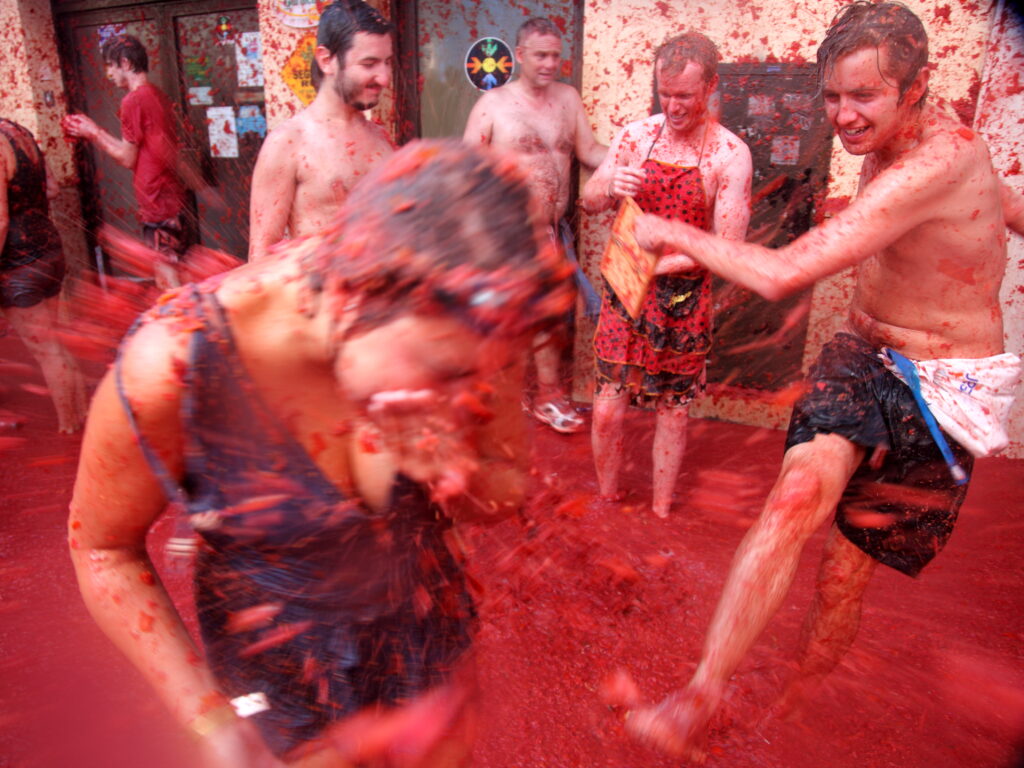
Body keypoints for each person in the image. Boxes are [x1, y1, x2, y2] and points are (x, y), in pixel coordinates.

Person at [68, 140, 572, 767]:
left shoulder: (473, 311)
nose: (465, 398)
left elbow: (505, 486)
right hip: (280, 683)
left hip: (426, 651)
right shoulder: (177, 360)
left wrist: (453, 471)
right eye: (444, 373)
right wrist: (213, 724)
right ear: (353, 297)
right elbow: (101, 548)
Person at [625, 3, 1023, 760]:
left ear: (918, 87)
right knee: (795, 498)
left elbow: (783, 273)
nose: (843, 117)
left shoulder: (943, 157)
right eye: (833, 97)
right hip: (863, 351)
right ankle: (701, 695)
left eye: (863, 97)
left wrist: (670, 231)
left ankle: (800, 704)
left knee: (845, 575)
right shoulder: (908, 142)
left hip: (948, 390)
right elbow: (1005, 206)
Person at [579, 32, 752, 517]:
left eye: (686, 96)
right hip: (627, 284)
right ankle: (608, 496)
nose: (673, 106)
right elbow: (589, 203)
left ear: (712, 86)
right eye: (665, 93)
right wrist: (610, 183)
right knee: (609, 407)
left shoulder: (729, 154)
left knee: (672, 412)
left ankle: (660, 509)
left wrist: (662, 262)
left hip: (684, 297)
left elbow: (730, 250)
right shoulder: (635, 136)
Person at [464, 16, 607, 434]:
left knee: (546, 317)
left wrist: (634, 158)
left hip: (550, 232)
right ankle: (490, 402)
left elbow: (590, 149)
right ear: (520, 55)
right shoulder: (493, 105)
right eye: (540, 55)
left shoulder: (567, 99)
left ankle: (546, 398)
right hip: (505, 234)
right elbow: (466, 170)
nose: (549, 63)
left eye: (555, 56)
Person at [248, 0, 394, 262]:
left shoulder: (381, 138)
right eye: (369, 64)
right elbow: (260, 261)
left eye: (387, 62)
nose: (384, 78)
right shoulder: (288, 143)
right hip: (321, 299)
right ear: (327, 60)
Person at [64, 35, 188, 291]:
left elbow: (126, 157)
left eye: (110, 65)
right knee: (172, 274)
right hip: (167, 199)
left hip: (157, 203)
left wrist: (93, 132)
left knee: (169, 285)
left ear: (125, 63)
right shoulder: (155, 95)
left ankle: (186, 327)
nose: (108, 73)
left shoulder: (133, 100)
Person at [0, 117, 87, 433]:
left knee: (46, 350)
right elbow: (52, 188)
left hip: (18, 261)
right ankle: (81, 415)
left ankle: (69, 427)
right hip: (48, 247)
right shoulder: (18, 132)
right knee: (55, 343)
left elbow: (0, 221)